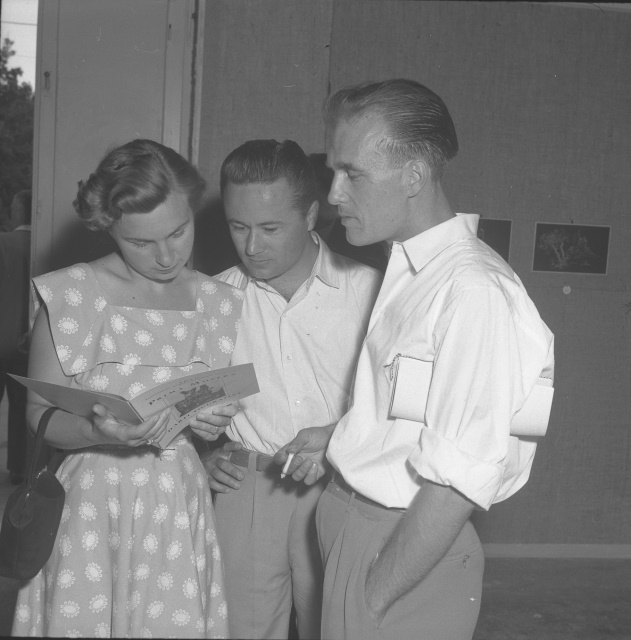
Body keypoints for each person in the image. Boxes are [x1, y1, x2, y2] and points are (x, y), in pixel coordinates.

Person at [275, 79, 556, 640]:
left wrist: (373, 596)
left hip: (401, 550)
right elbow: (421, 408)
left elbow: (458, 481)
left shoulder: (472, 290)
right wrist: (341, 435)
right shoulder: (413, 270)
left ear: (413, 176)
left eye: (352, 173)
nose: (334, 194)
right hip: (357, 527)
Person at [12, 139, 242, 638]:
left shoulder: (220, 302)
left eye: (179, 231)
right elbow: (38, 414)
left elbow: (211, 408)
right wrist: (99, 433)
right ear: (107, 226)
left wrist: (212, 424)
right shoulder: (69, 294)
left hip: (178, 501)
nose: (166, 255)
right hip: (93, 502)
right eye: (141, 242)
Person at [200, 139, 382, 639]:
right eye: (238, 227)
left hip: (343, 486)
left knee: (338, 628)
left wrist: (338, 438)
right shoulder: (211, 298)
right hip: (247, 490)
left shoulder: (373, 293)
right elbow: (185, 399)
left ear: (311, 216)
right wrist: (200, 454)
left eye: (270, 228)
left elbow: (400, 407)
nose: (251, 247)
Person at [308, 153, 388, 273]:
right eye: (324, 184)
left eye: (329, 184)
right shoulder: (290, 234)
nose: (333, 197)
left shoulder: (367, 247)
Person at [0, 189, 32, 484]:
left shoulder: (3, 243)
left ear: (20, 209)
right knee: (23, 409)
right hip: (28, 344)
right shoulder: (42, 243)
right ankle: (19, 469)